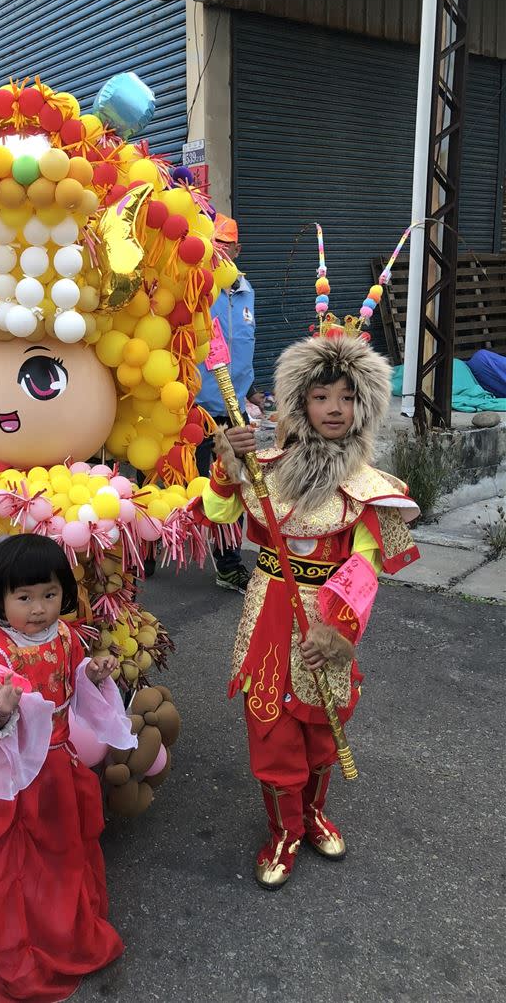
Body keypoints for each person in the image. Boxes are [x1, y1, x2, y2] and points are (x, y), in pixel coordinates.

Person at [200, 330, 420, 890]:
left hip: (330, 619)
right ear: (300, 403)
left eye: (347, 397)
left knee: (324, 728)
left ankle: (315, 812)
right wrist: (228, 463)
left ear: (362, 406)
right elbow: (218, 510)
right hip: (271, 612)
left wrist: (339, 630)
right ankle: (284, 831)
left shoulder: (370, 489)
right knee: (272, 728)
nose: (335, 409)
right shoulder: (265, 468)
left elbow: (364, 568)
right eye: (322, 397)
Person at [0, 534, 137, 1003]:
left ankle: (59, 930)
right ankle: (11, 945)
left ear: (64, 593)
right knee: (7, 863)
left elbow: (71, 683)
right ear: (0, 599)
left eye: (49, 594)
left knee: (59, 856)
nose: (38, 608)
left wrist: (91, 674)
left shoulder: (66, 637)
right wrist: (0, 711)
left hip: (57, 768)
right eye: (23, 597)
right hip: (12, 777)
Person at [196, 214, 264, 592]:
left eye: (226, 246)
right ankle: (152, 547)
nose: (220, 253)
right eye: (214, 246)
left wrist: (251, 388)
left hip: (231, 412)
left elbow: (244, 345)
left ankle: (228, 565)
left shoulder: (246, 291)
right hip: (192, 408)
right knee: (180, 485)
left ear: (238, 249)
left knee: (229, 487)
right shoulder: (198, 287)